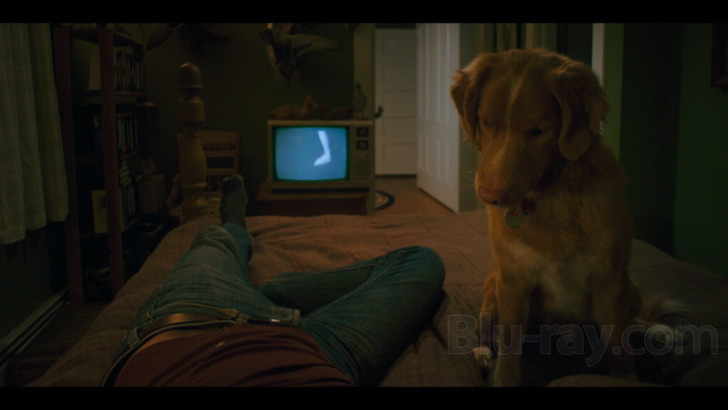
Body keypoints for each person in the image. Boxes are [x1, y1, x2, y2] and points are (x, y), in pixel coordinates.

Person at [102, 175, 445, 387]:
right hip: (323, 356)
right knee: (421, 262)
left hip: (200, 321)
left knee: (216, 242)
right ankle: (275, 291)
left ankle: (235, 225)